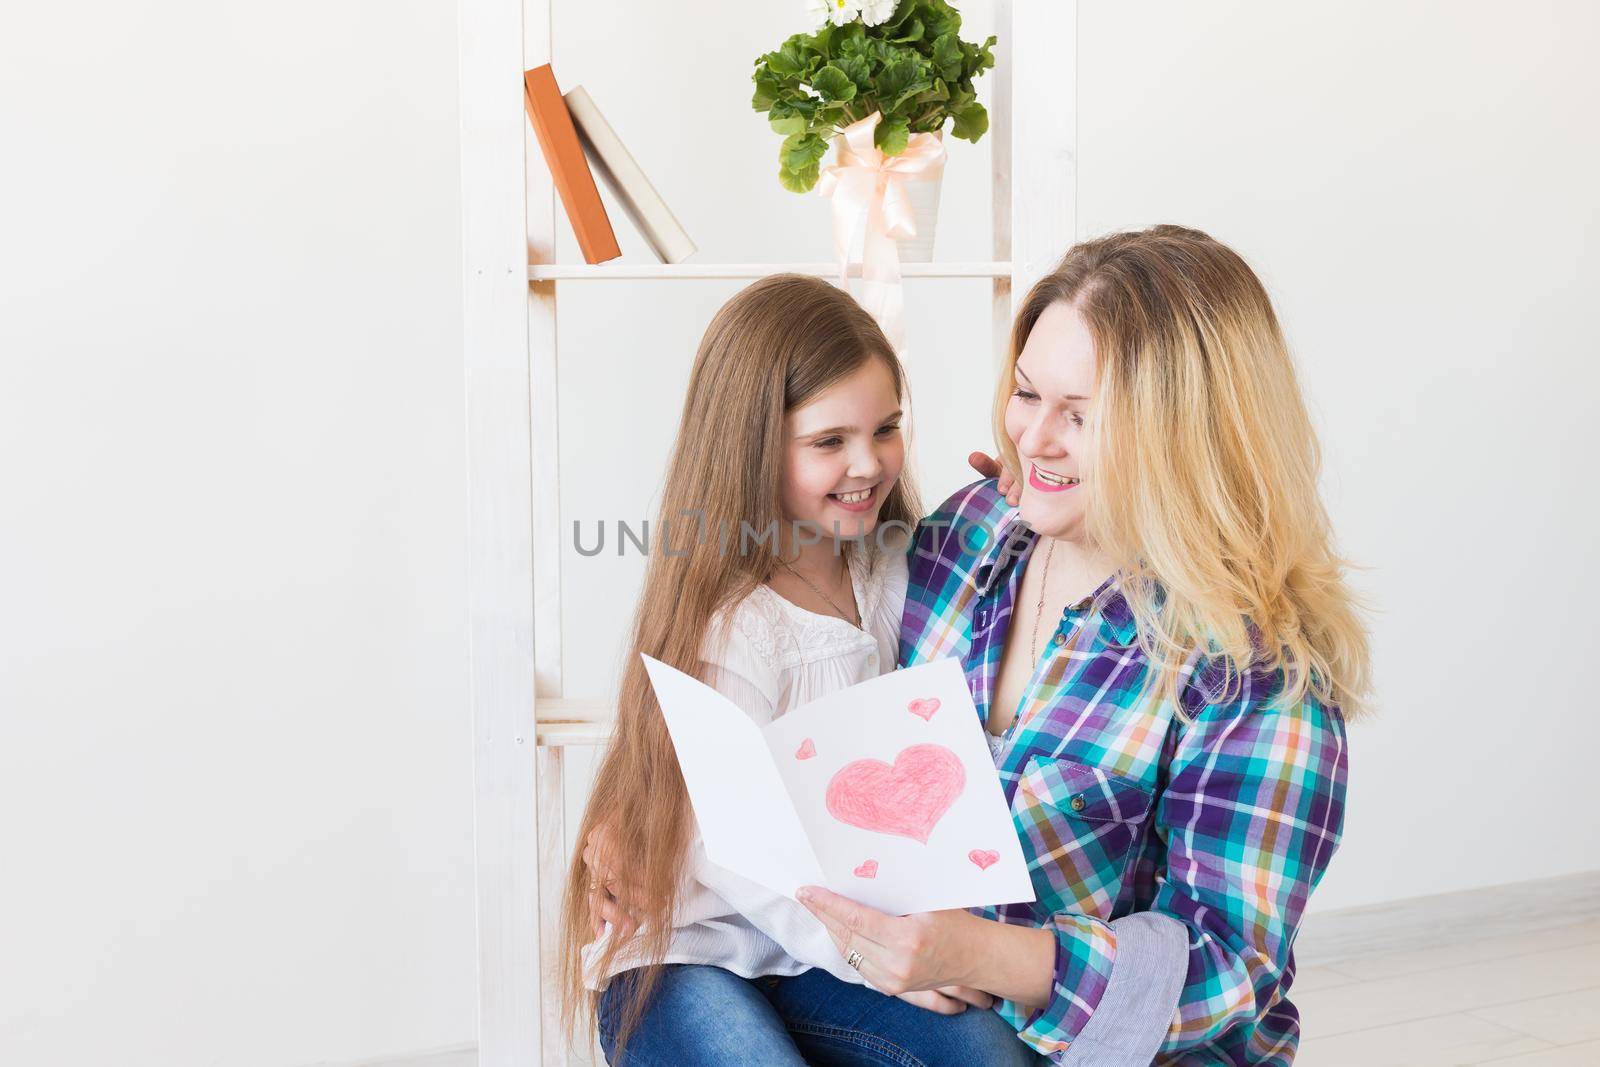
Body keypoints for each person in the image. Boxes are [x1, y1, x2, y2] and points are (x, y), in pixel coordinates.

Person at [560, 273, 1042, 1067]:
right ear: (754, 446)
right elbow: (739, 850)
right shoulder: (737, 623)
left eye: (886, 428)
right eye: (829, 442)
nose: (869, 462)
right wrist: (872, 953)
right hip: (694, 949)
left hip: (827, 951)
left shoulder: (891, 573)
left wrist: (1026, 488)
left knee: (988, 1055)